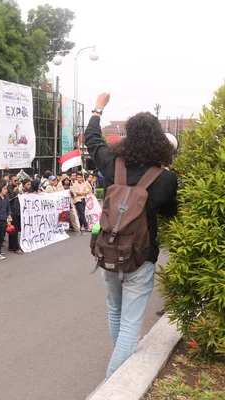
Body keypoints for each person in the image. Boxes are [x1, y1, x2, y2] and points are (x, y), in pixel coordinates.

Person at [85, 93, 177, 379]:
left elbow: (92, 139)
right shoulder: (165, 178)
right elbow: (171, 214)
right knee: (130, 325)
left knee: (115, 312)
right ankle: (111, 386)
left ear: (128, 137)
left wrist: (99, 108)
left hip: (108, 252)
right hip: (140, 256)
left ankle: (119, 371)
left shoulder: (113, 164)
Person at [7, 174, 23, 255]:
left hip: (16, 210)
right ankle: (16, 247)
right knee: (14, 230)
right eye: (15, 181)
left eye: (17, 180)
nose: (17, 182)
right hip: (12, 212)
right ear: (10, 181)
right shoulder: (8, 189)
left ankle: (11, 246)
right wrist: (14, 192)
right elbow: (8, 198)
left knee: (13, 230)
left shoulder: (15, 188)